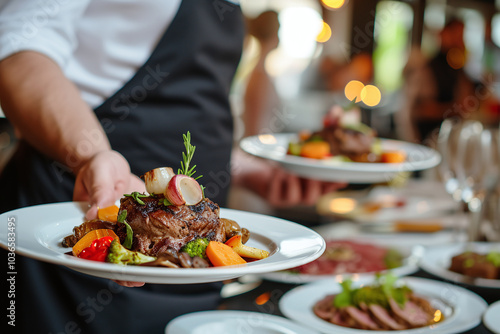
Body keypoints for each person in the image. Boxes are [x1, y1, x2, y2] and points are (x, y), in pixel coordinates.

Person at [0, 1, 343, 333]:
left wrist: (245, 170)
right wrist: (92, 156)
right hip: (80, 217)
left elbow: (189, 110)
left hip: (197, 263)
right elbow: (17, 52)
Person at [399, 18, 476, 144]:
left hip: (448, 139)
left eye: (461, 36)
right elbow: (420, 110)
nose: (459, 41)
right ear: (442, 34)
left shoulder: (457, 69)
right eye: (455, 35)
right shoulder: (426, 68)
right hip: (426, 140)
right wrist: (453, 109)